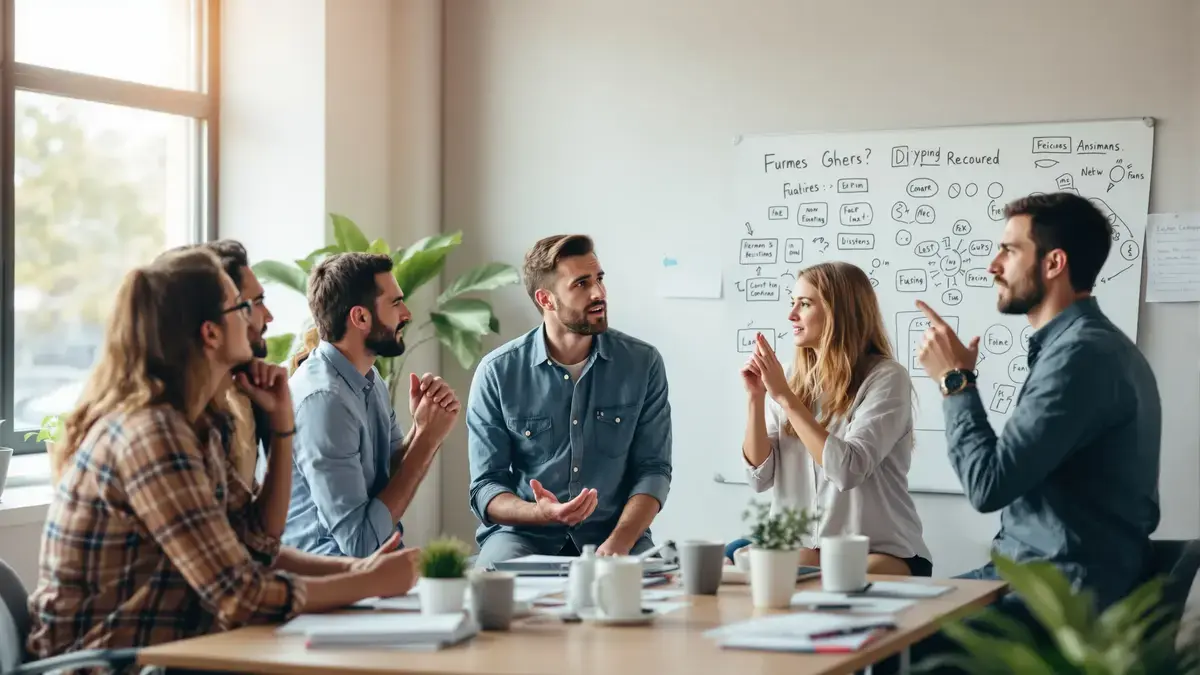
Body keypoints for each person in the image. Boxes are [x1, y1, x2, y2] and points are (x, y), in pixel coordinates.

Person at [27, 248, 420, 660]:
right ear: (211, 334)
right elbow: (240, 596)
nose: (259, 319)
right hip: (112, 663)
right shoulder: (153, 434)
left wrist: (282, 426)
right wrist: (368, 581)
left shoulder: (200, 427)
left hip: (173, 653)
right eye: (242, 307)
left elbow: (256, 542)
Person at [910, 192, 1161, 665]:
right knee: (888, 617)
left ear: (1053, 263)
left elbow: (988, 486)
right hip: (1036, 578)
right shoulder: (1090, 348)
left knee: (887, 646)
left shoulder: (1080, 358)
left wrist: (955, 382)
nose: (993, 265)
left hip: (1060, 595)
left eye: (1009, 250)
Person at [467, 234, 672, 569]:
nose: (599, 293)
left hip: (614, 533)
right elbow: (486, 487)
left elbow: (654, 470)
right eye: (581, 284)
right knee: (492, 590)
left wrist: (619, 542)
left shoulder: (643, 363)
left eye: (599, 279)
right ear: (546, 299)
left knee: (653, 592)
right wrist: (539, 512)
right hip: (522, 536)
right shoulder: (497, 372)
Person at [730, 261, 932, 576]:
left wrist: (785, 398)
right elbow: (759, 478)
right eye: (791, 303)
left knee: (842, 578)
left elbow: (847, 469)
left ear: (840, 312)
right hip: (807, 549)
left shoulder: (886, 378)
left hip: (880, 549)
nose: (791, 314)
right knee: (740, 563)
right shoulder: (788, 380)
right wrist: (756, 398)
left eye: (805, 304)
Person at [284, 252, 460, 558]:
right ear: (361, 318)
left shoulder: (368, 378)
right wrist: (427, 440)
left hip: (372, 567)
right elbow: (360, 542)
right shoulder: (324, 401)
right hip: (330, 576)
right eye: (395, 303)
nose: (407, 313)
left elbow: (389, 476)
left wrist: (423, 429)